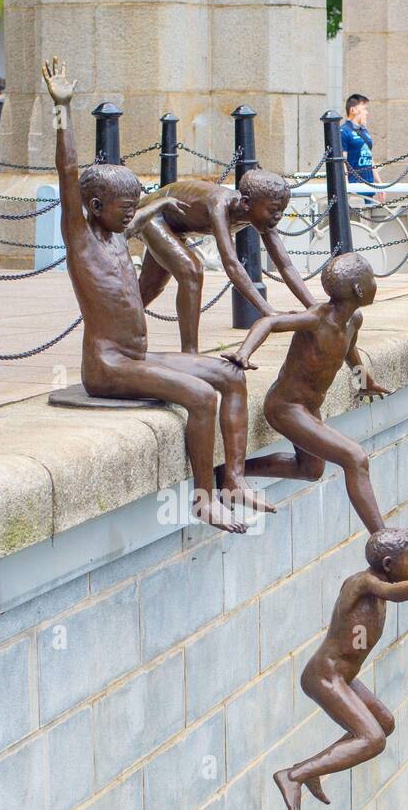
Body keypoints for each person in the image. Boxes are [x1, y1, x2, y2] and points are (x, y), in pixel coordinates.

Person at [40, 57, 265, 533]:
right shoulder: (81, 238)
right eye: (123, 209)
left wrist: (159, 202)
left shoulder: (121, 231)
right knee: (201, 396)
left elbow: (141, 219)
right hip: (109, 367)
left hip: (137, 358)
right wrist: (62, 110)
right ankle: (203, 499)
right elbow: (67, 170)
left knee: (230, 376)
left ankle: (235, 479)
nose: (130, 217)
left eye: (132, 209)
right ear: (95, 208)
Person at [273, 521, 408, 810]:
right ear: (389, 565)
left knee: (384, 723)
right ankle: (294, 775)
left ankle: (314, 769)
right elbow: (395, 591)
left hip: (342, 676)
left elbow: (405, 542)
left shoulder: (386, 567)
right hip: (324, 677)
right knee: (373, 739)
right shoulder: (364, 584)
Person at [226, 253, 403, 534]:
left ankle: (226, 475)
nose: (375, 284)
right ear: (359, 289)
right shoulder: (316, 319)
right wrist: (243, 353)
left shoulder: (353, 320)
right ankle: (380, 534)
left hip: (309, 407)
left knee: (311, 470)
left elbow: (350, 352)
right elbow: (269, 322)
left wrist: (363, 382)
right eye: (371, 279)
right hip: (285, 407)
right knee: (355, 458)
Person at [126, 169, 315, 355]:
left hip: (174, 226)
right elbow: (231, 263)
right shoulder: (219, 205)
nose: (278, 216)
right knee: (191, 270)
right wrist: (268, 311)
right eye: (273, 210)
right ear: (246, 203)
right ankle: (190, 353)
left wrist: (313, 307)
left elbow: (286, 265)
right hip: (155, 215)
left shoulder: (262, 217)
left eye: (282, 210)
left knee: (149, 288)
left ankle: (112, 328)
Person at [341, 93, 385, 202]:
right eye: (364, 109)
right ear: (353, 110)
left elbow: (369, 157)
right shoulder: (344, 131)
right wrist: (346, 188)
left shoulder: (364, 131)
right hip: (355, 188)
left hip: (369, 186)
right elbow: (342, 162)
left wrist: (379, 184)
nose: (367, 113)